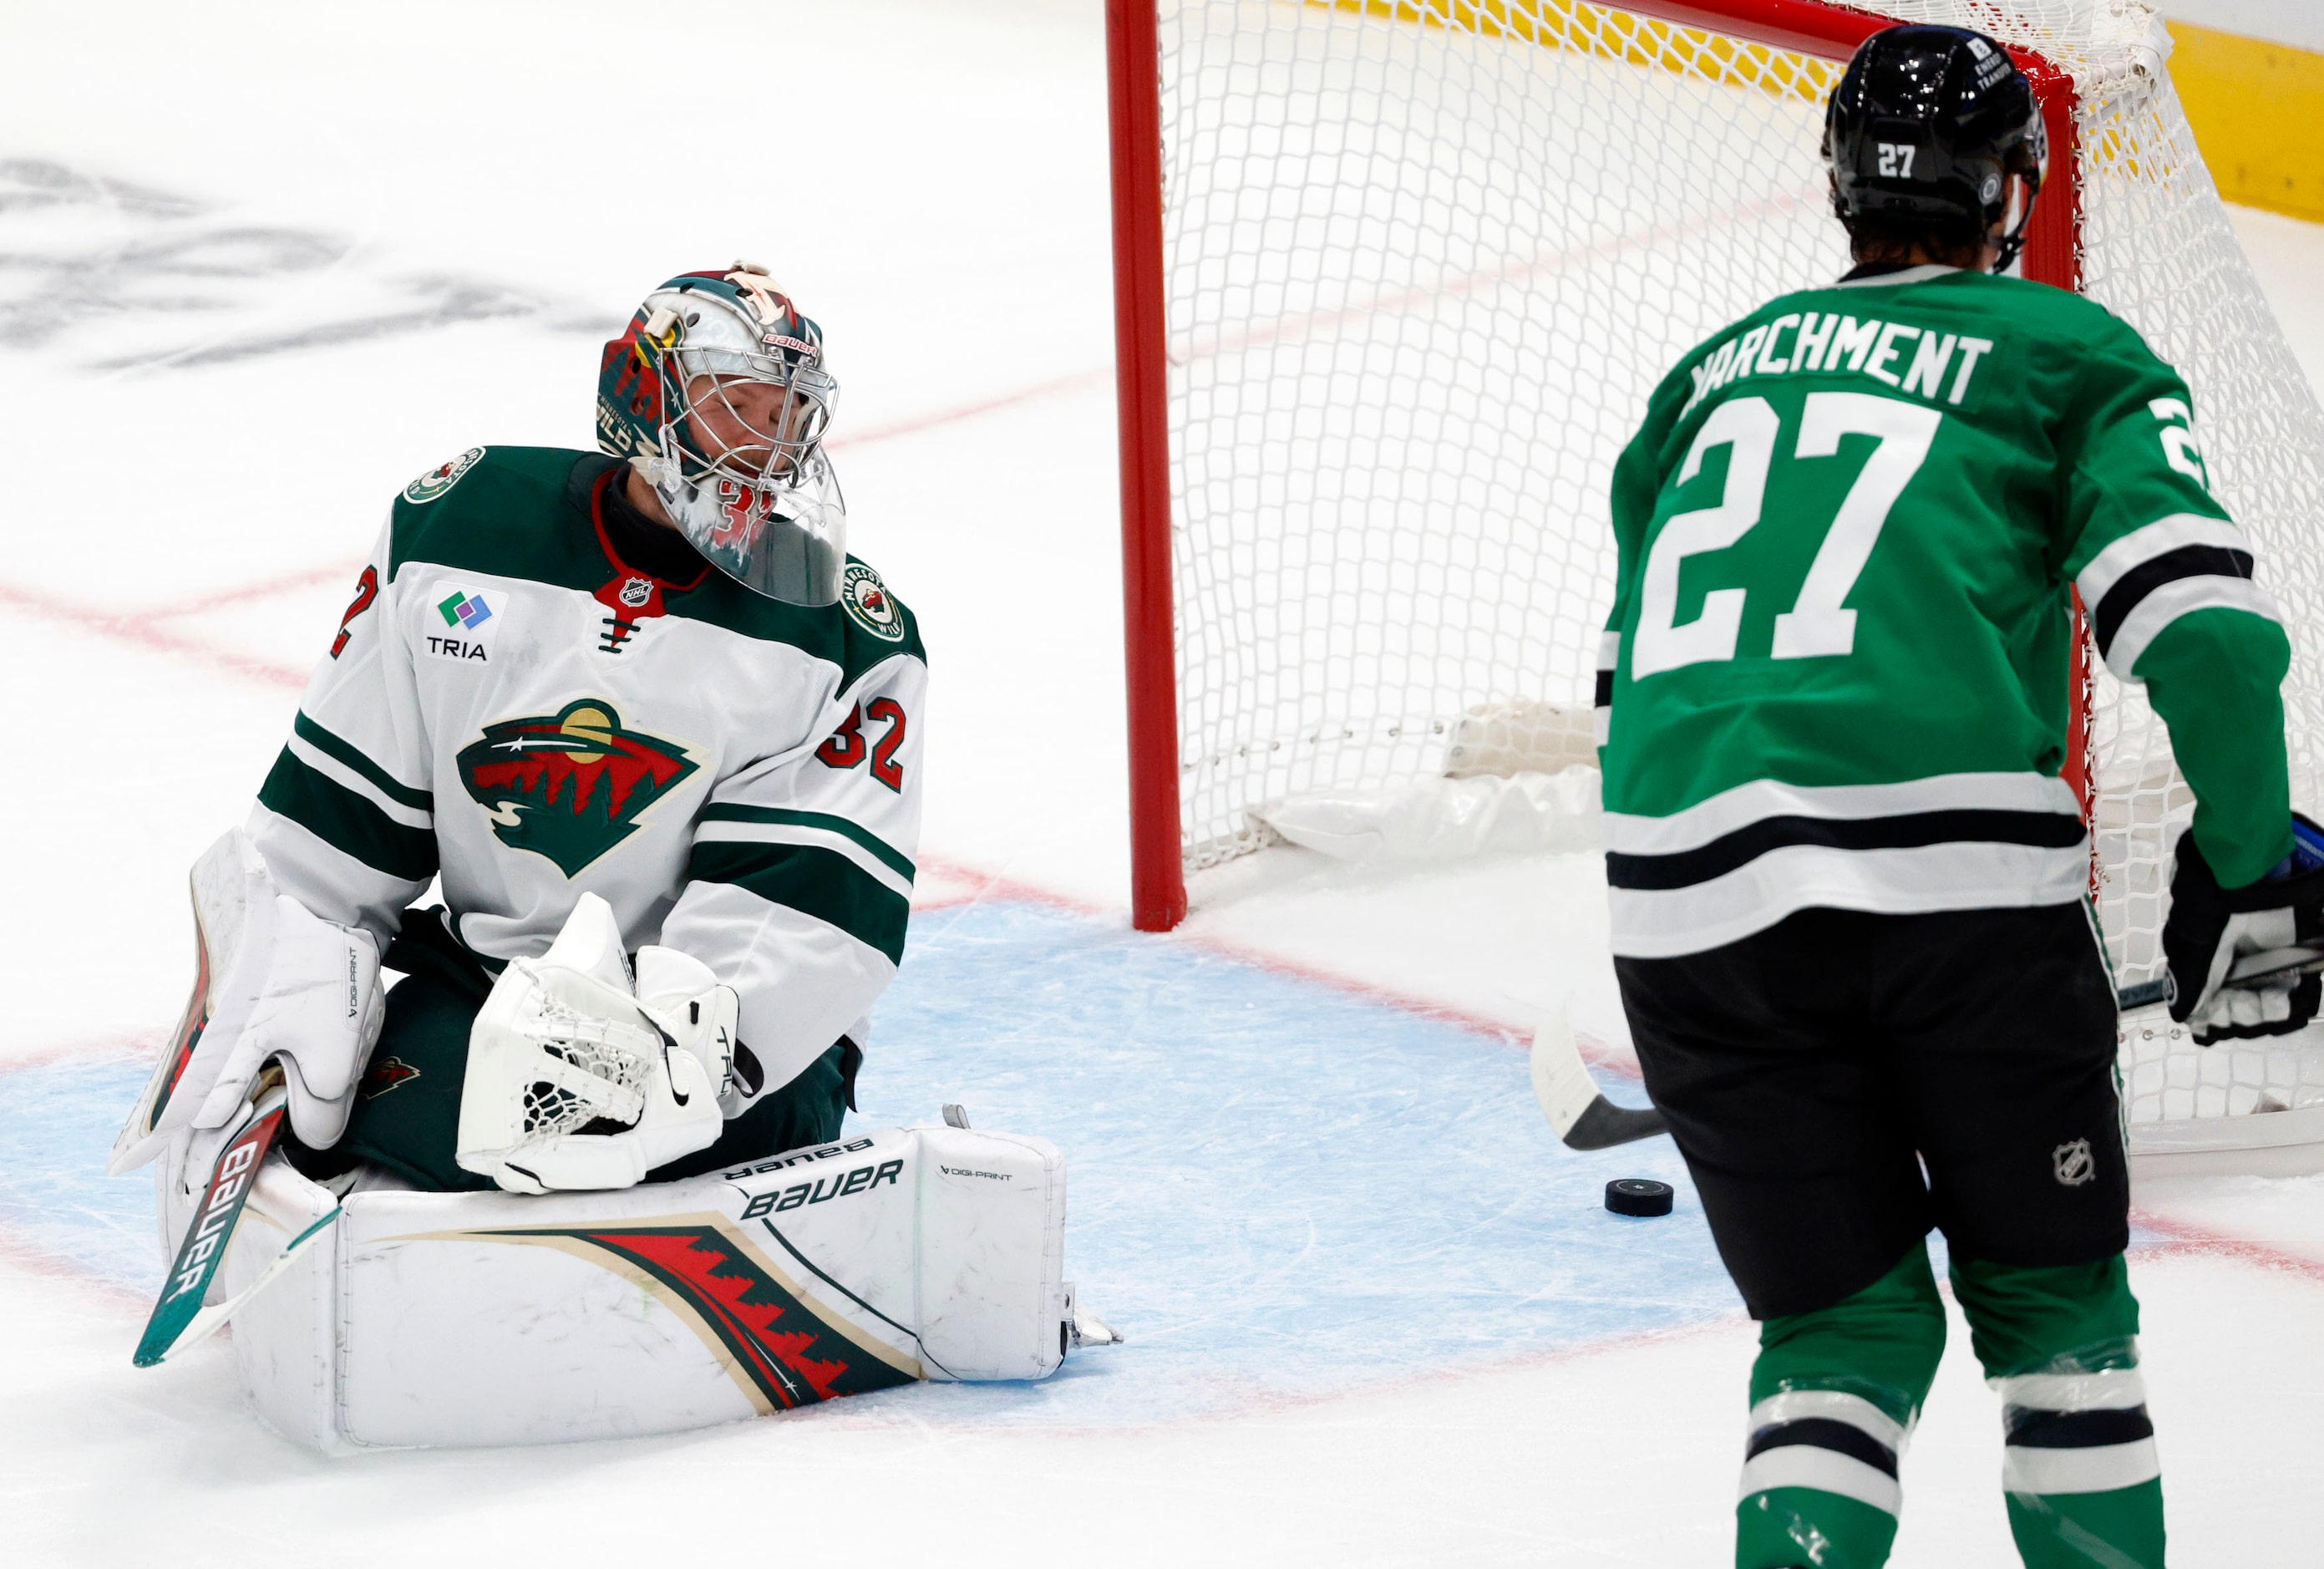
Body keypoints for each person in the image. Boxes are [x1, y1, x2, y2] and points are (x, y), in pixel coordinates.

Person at [1592, 26, 2320, 1569]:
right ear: (2015, 191)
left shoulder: (1691, 390)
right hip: (1959, 908)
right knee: (2055, 1323)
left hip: (1679, 912)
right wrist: (2246, 869)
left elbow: (1630, 705)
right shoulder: (2065, 354)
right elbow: (2209, 642)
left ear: (1842, 188)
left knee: (1837, 1336)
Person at [120, 262, 926, 1199]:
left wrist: (664, 1056)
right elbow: (342, 825)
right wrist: (286, 962)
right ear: (643, 397)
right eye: (735, 405)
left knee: (479, 1142)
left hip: (724, 1054)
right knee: (344, 1129)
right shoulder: (460, 532)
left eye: (787, 413)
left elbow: (807, 918)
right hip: (489, 993)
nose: (766, 442)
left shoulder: (845, 636)